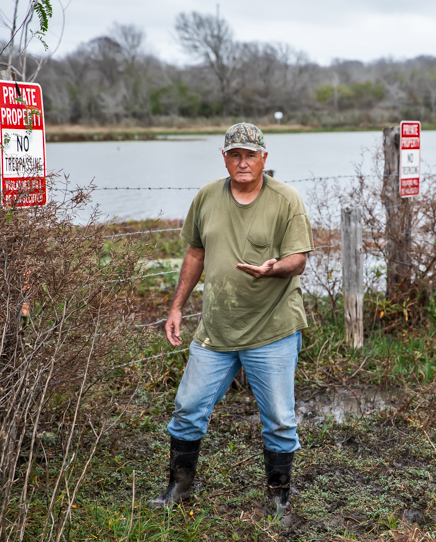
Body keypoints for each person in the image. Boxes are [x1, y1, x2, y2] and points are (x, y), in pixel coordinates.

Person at [148, 123, 314, 518]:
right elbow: (194, 253)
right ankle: (179, 487)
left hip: (272, 330)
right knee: (187, 408)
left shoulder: (286, 200)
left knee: (278, 421)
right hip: (216, 331)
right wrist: (176, 307)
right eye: (235, 154)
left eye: (250, 155)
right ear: (224, 158)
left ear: (264, 158)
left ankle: (279, 498)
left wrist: (275, 268)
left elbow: (299, 260)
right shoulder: (207, 196)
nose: (243, 162)